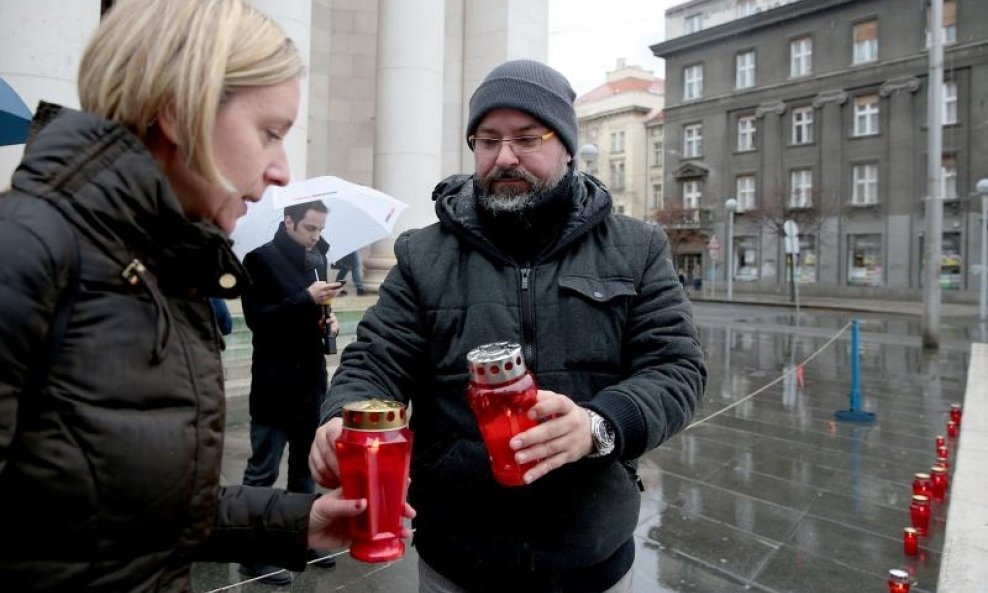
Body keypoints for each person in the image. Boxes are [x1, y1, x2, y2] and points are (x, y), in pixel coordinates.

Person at [0, 1, 410, 591]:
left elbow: (138, 509)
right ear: (178, 110)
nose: (281, 172)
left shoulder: (164, 268)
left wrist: (295, 524)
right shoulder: (25, 253)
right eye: (269, 133)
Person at [310, 59, 706, 593]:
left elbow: (676, 368)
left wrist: (598, 426)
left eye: (526, 138)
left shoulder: (636, 247)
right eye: (487, 140)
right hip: (458, 558)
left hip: (591, 555)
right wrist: (340, 418)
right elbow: (374, 360)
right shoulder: (425, 254)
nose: (505, 157)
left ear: (566, 144)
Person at [238, 199, 342, 583]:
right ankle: (254, 552)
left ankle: (303, 537)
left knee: (304, 470)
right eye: (310, 228)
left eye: (320, 229)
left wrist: (325, 323)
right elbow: (258, 321)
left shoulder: (317, 259)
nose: (317, 236)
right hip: (274, 382)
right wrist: (305, 299)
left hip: (309, 381)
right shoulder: (259, 259)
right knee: (263, 470)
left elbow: (308, 316)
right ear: (288, 222)